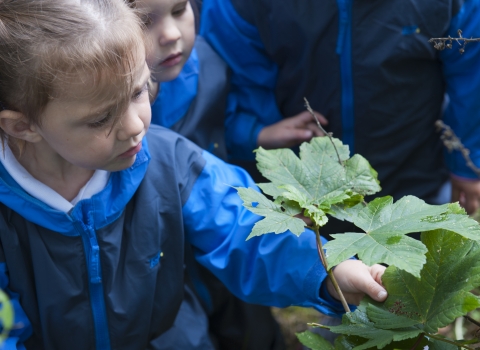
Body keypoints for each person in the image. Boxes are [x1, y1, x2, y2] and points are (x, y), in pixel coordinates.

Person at [0, 0, 388, 349]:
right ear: (22, 126)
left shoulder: (170, 161)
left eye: (139, 91)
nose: (135, 126)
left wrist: (330, 271)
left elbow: (244, 231)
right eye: (101, 118)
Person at [199, 0, 480, 228]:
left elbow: (471, 75)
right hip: (301, 192)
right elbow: (233, 77)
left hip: (416, 175)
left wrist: (466, 164)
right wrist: (254, 131)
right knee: (314, 282)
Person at [133, 0, 286, 348]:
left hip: (227, 241)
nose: (171, 34)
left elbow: (225, 121)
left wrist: (257, 134)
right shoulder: (102, 114)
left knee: (255, 333)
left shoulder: (210, 63)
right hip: (157, 274)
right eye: (144, 20)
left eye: (179, 9)